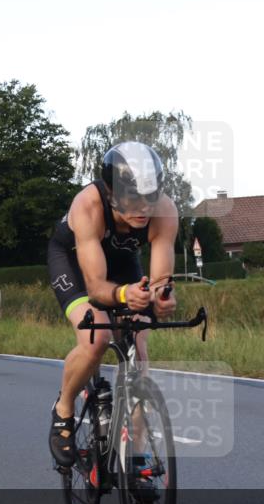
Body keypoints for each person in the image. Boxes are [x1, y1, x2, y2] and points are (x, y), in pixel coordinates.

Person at [46, 142, 178, 467]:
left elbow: (160, 278)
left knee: (138, 343)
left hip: (122, 264)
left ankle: (135, 455)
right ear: (110, 191)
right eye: (132, 199)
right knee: (96, 338)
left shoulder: (165, 210)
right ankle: (64, 408)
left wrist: (161, 298)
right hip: (76, 265)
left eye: (148, 198)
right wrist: (123, 296)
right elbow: (96, 288)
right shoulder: (88, 205)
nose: (142, 208)